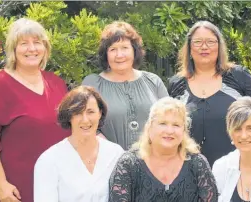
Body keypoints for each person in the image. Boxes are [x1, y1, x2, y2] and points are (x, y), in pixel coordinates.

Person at [0, 18, 70, 202]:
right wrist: (1, 185)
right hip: (14, 191)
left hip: (53, 186)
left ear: (45, 48)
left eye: (37, 43)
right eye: (24, 43)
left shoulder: (56, 83)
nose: (32, 49)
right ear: (13, 50)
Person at [168, 21, 251, 166]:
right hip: (188, 170)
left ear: (219, 46)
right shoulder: (177, 84)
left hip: (236, 169)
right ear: (189, 48)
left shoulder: (238, 77)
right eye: (198, 42)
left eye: (211, 42)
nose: (204, 47)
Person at [109, 97, 218, 202]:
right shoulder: (128, 164)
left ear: (184, 130)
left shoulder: (197, 164)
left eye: (176, 125)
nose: (169, 130)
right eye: (162, 123)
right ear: (149, 127)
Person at [82, 21, 168, 150]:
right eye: (113, 49)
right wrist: (112, 153)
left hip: (153, 163)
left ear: (134, 51)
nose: (119, 55)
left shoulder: (153, 81)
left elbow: (170, 120)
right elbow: (83, 123)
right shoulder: (92, 84)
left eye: (124, 48)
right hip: (108, 162)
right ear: (106, 54)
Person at [34, 86, 124, 202]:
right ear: (69, 116)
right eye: (78, 113)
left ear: (100, 113)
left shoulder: (116, 154)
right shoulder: (49, 161)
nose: (85, 120)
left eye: (90, 112)